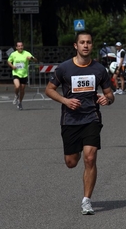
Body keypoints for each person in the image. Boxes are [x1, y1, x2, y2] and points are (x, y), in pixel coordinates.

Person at [45, 31, 114, 215]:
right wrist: (65, 101)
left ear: (92, 45)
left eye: (89, 42)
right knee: (71, 162)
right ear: (76, 46)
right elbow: (49, 89)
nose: (85, 45)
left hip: (91, 118)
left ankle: (86, 201)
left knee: (90, 158)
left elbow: (110, 94)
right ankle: (72, 154)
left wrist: (107, 99)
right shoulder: (65, 68)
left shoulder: (99, 69)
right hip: (70, 120)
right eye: (82, 42)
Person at [7, 42, 37, 110]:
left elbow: (35, 60)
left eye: (21, 46)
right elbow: (8, 61)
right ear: (16, 47)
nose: (20, 47)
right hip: (16, 73)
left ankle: (20, 102)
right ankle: (16, 96)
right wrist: (12, 66)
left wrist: (31, 58)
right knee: (17, 86)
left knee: (22, 89)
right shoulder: (13, 54)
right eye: (19, 46)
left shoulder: (26, 53)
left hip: (24, 74)